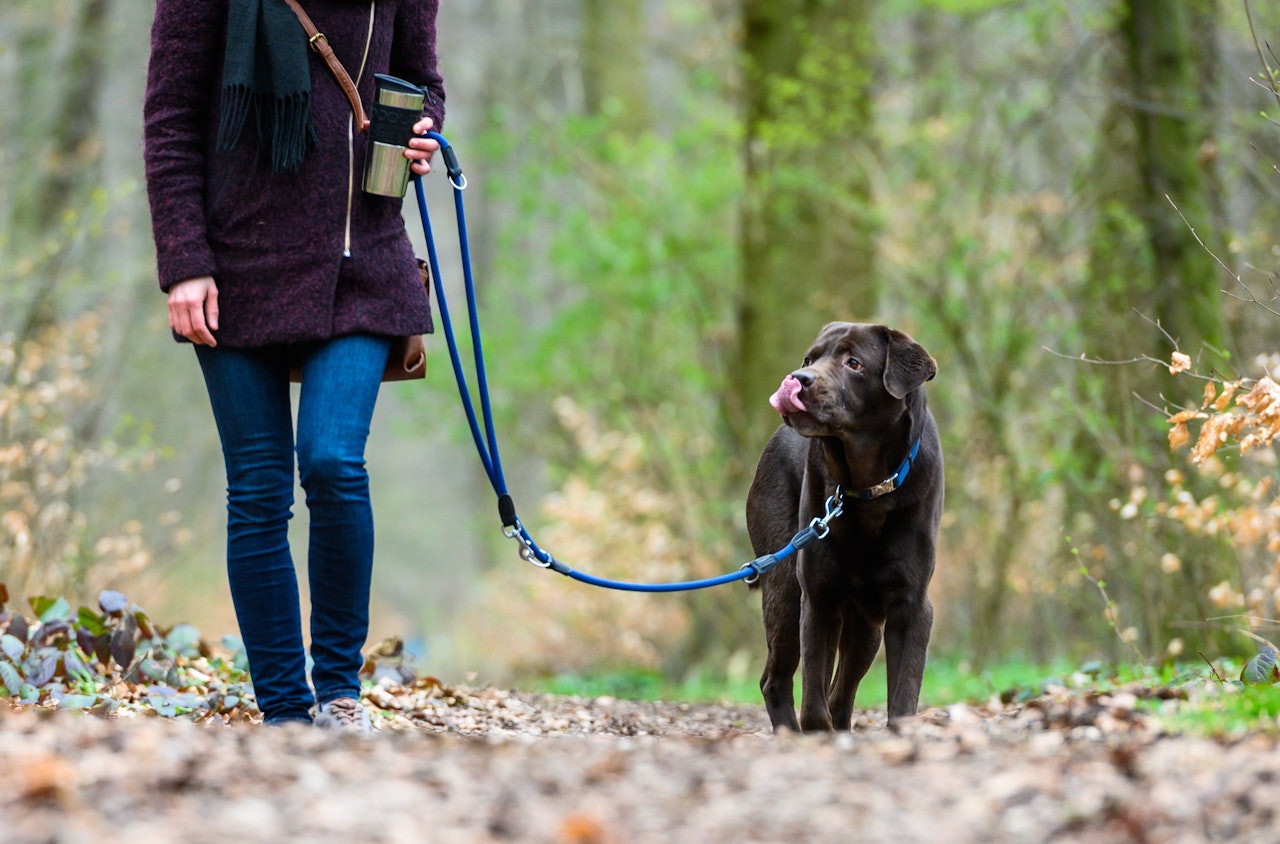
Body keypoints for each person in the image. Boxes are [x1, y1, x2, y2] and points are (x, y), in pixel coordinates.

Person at [143, 0, 446, 731]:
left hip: (361, 263)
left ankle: (339, 694)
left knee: (334, 463)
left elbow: (423, 83)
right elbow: (170, 119)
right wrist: (184, 262)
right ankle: (284, 711)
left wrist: (423, 134)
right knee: (258, 488)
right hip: (235, 266)